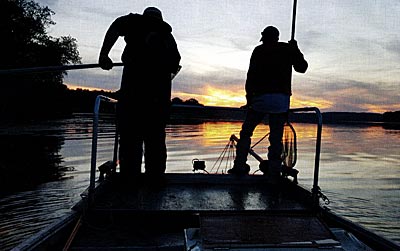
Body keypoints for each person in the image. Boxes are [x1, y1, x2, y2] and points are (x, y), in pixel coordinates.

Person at [98, 7, 181, 182]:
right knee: (150, 143)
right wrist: (103, 54)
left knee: (137, 143)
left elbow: (115, 26)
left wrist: (104, 54)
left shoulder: (157, 32)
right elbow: (174, 65)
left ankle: (136, 181)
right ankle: (151, 181)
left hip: (140, 100)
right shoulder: (162, 33)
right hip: (148, 101)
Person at [228, 26, 308, 182]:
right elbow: (302, 68)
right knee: (275, 138)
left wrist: (249, 101)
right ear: (277, 37)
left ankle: (239, 166)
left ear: (264, 38)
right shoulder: (287, 49)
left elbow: (250, 77)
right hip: (280, 101)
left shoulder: (258, 51)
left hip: (260, 100)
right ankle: (274, 170)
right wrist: (295, 49)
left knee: (246, 133)